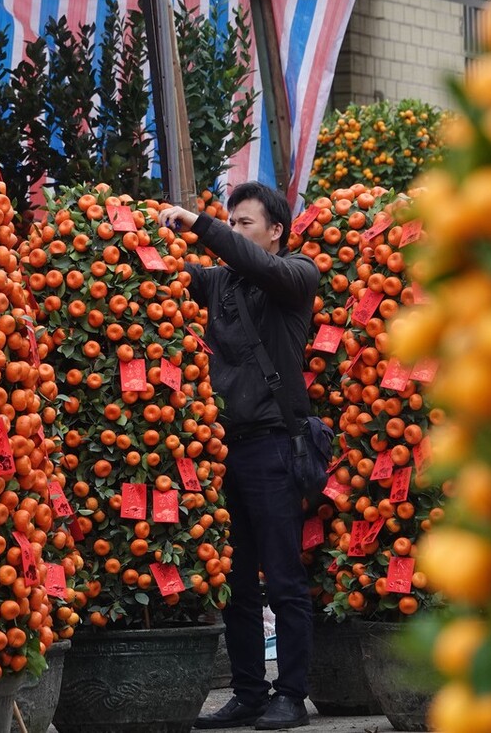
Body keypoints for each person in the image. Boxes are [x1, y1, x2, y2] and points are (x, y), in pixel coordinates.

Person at [158, 182, 319, 730]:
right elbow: (174, 278)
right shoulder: (220, 283)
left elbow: (253, 263)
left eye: (243, 221)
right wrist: (131, 233)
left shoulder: (295, 275)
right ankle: (249, 690)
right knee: (237, 581)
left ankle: (290, 693)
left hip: (275, 445)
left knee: (283, 576)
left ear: (275, 231)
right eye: (231, 221)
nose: (234, 229)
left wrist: (202, 224)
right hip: (224, 448)